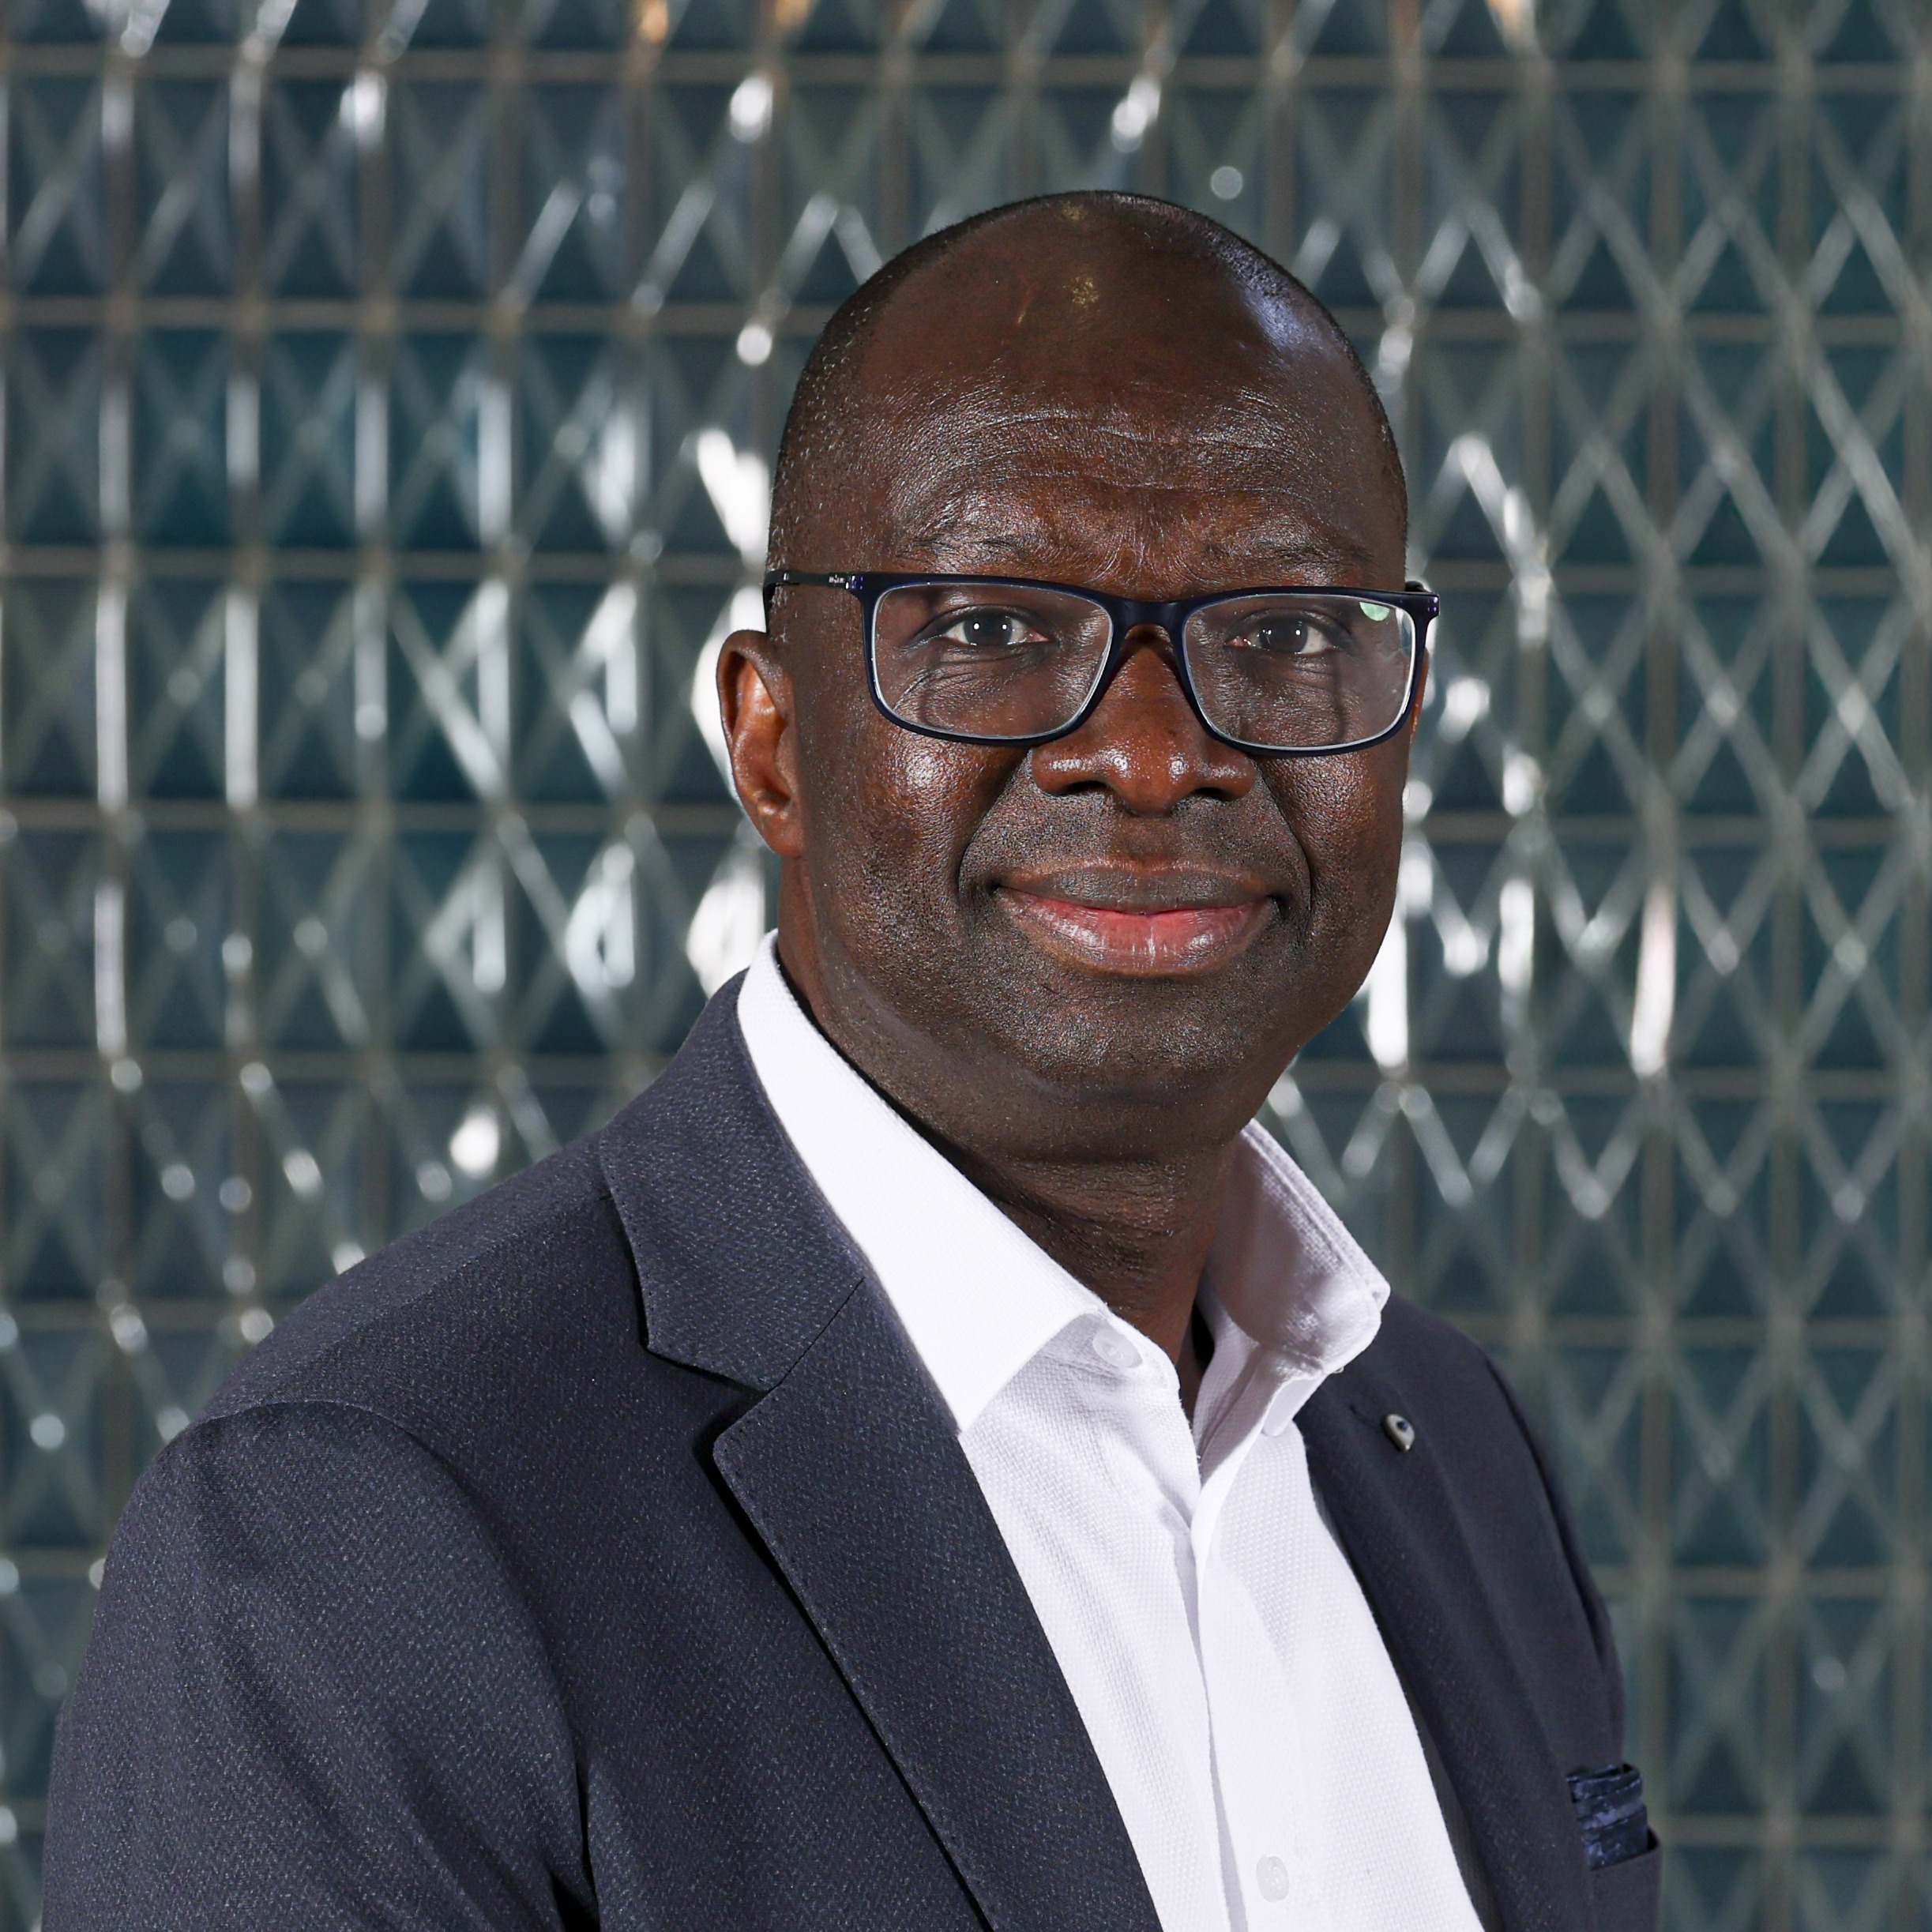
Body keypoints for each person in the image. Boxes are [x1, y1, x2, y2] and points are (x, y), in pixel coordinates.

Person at [44, 192, 1657, 1932]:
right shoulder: (354, 1534)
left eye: (1279, 632)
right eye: (984, 627)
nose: (1148, 750)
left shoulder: (1446, 1448)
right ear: (771, 739)